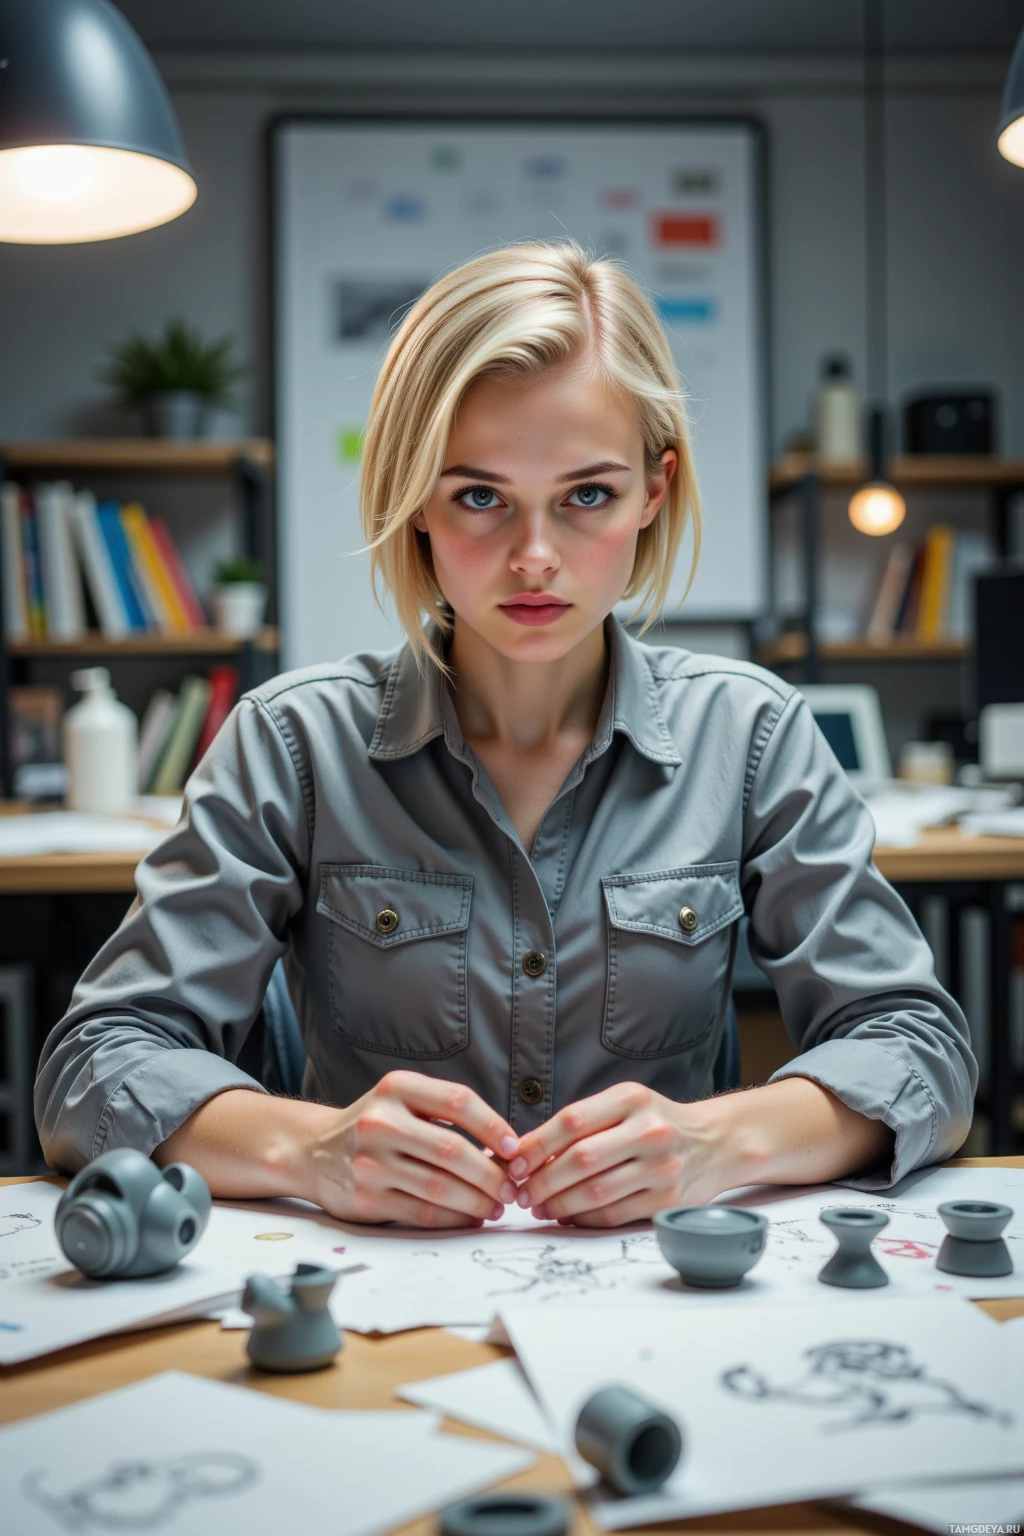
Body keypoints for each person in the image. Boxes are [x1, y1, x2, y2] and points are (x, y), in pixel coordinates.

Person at [35, 242, 976, 1229]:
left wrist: (716, 1144)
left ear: (653, 491)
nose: (535, 559)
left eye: (587, 496)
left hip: (669, 1299)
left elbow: (917, 1045)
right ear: (416, 504)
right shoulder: (290, 744)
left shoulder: (750, 735)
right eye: (479, 496)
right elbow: (98, 1061)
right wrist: (309, 1150)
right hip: (376, 1314)